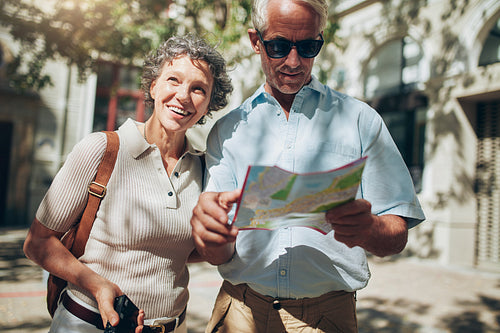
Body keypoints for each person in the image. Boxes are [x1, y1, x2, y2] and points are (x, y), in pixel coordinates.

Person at [190, 0, 426, 332]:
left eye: (308, 47)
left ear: (321, 40)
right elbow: (219, 253)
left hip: (327, 316)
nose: (293, 61)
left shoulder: (361, 121)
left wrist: (369, 229)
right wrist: (210, 236)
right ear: (255, 41)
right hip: (240, 310)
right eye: (278, 46)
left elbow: (396, 235)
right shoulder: (228, 131)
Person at [23, 34, 232, 333]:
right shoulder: (102, 150)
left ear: (209, 103)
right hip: (89, 323)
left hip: (173, 327)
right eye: (173, 80)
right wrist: (96, 285)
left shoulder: (203, 167)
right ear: (153, 85)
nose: (184, 96)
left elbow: (184, 247)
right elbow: (37, 243)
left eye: (199, 89)